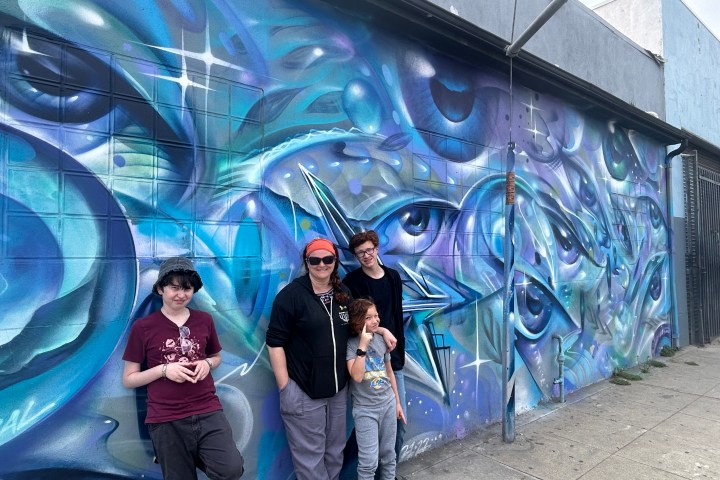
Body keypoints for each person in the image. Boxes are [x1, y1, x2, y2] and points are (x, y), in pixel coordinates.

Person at [266, 238, 397, 480]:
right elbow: (275, 343)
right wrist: (286, 387)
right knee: (310, 459)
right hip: (304, 391)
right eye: (315, 260)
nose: (321, 264)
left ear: (335, 261)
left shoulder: (342, 294)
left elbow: (359, 325)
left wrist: (382, 330)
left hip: (338, 391)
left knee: (335, 452)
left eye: (328, 259)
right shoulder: (291, 296)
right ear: (307, 262)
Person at [122, 257, 245, 480]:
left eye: (187, 288)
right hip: (166, 418)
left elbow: (216, 357)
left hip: (208, 411)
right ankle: (175, 452)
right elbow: (129, 379)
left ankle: (190, 452)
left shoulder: (204, 320)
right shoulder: (143, 327)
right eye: (174, 287)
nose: (181, 294)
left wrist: (207, 364)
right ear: (160, 288)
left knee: (230, 469)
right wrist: (164, 370)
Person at [344, 230, 407, 465]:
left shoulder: (393, 277)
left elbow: (397, 316)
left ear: (377, 249)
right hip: (367, 363)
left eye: (369, 250)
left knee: (398, 425)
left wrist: (397, 347)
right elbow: (356, 323)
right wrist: (381, 330)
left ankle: (387, 473)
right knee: (362, 431)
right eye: (360, 253)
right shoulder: (353, 282)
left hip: (392, 360)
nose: (366, 255)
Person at [346, 298, 406, 480]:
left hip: (388, 404)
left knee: (388, 455)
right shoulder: (351, 344)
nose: (376, 320)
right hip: (365, 410)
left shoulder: (381, 340)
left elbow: (389, 373)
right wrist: (363, 345)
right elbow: (356, 376)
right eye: (369, 317)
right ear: (357, 321)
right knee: (368, 462)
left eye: (376, 316)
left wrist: (397, 402)